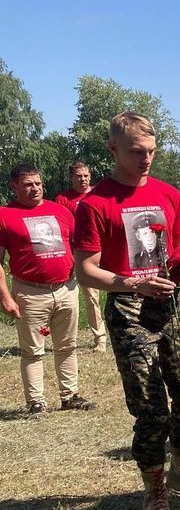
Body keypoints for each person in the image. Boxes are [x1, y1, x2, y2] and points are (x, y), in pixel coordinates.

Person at [73, 111, 180, 510]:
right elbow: (86, 270)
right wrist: (132, 284)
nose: (146, 159)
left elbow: (177, 248)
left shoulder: (168, 194)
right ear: (113, 150)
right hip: (128, 309)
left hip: (170, 304)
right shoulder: (96, 202)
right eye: (137, 152)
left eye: (152, 151)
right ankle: (154, 492)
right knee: (151, 407)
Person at [0, 164, 94, 415]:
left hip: (65, 289)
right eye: (28, 184)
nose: (35, 189)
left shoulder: (60, 211)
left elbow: (78, 245)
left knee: (67, 346)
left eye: (38, 184)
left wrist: (79, 270)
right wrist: (6, 298)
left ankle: (70, 395)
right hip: (30, 293)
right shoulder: (4, 215)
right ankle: (36, 402)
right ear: (14, 187)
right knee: (32, 350)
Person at [56, 161, 106, 352]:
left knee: (92, 296)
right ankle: (68, 338)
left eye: (85, 175)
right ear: (71, 177)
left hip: (94, 252)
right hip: (70, 252)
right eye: (78, 176)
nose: (83, 179)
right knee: (68, 297)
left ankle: (100, 338)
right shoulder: (63, 199)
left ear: (90, 176)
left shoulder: (98, 194)